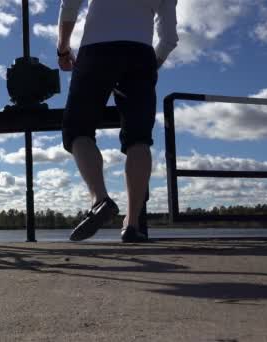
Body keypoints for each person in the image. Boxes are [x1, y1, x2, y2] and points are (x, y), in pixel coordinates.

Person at [57, 0, 178, 242]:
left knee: (77, 130)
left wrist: (63, 48)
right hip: (141, 54)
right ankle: (132, 224)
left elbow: (70, 4)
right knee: (139, 138)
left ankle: (100, 200)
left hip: (96, 51)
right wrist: (148, 67)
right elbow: (169, 38)